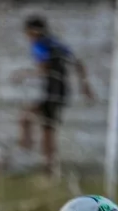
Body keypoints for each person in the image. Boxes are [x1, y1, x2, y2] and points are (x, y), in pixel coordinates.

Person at [11, 15, 94, 174]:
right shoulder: (57, 43)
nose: (27, 37)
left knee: (27, 117)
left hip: (52, 92)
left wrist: (22, 74)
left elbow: (45, 67)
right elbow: (78, 63)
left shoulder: (40, 45)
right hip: (61, 91)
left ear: (33, 32)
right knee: (47, 130)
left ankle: (25, 148)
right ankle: (49, 168)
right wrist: (85, 86)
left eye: (28, 33)